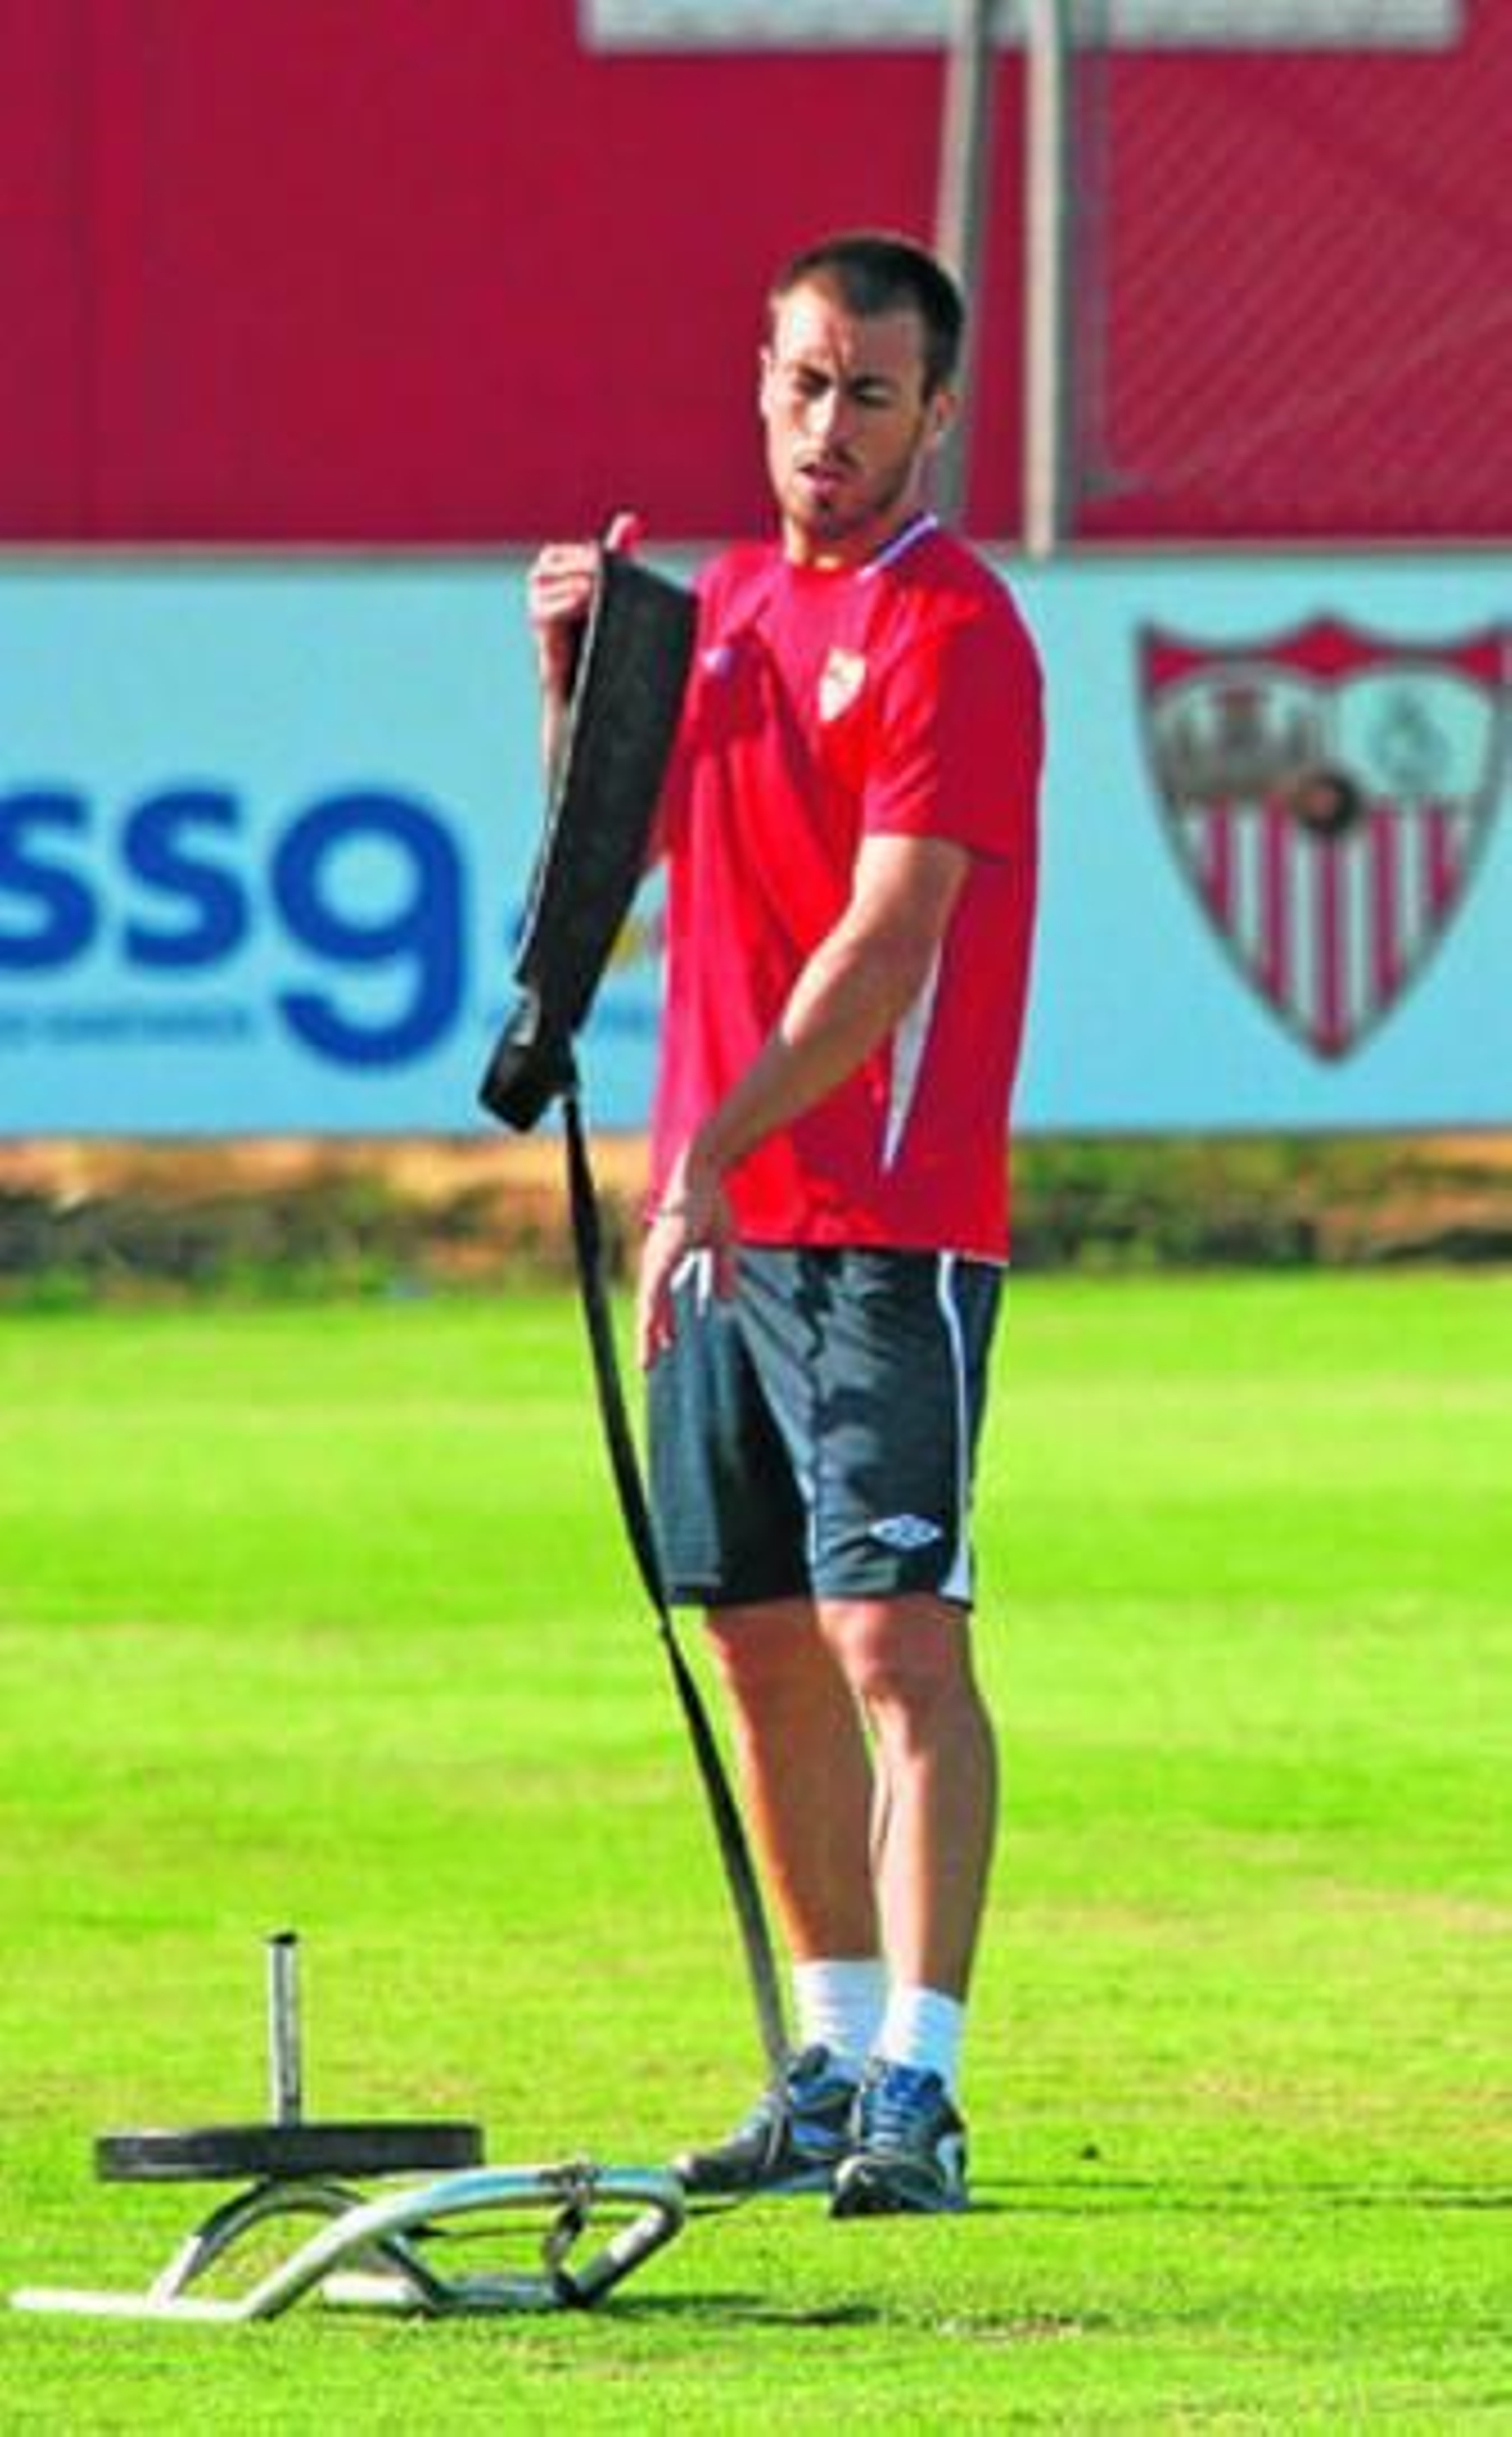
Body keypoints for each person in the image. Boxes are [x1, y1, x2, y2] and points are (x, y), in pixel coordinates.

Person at [526, 231, 1041, 2216]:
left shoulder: (951, 632)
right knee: (751, 1641)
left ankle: (923, 2076)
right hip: (715, 1210)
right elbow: (600, 863)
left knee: (892, 1641)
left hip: (873, 1213)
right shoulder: (719, 606)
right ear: (759, 378)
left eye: (872, 394)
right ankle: (822, 2055)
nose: (829, 428)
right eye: (804, 382)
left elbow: (886, 944)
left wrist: (720, 1146)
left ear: (936, 414)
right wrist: (567, 680)